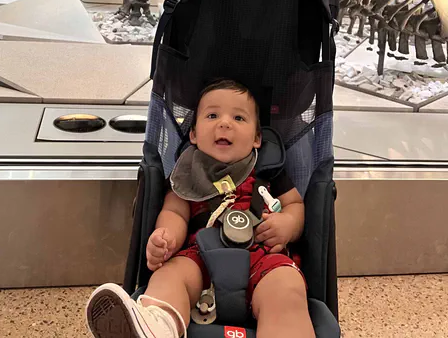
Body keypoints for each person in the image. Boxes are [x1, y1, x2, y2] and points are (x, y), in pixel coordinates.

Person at [86, 79, 315, 338]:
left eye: (239, 118)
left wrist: (287, 224)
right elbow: (174, 213)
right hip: (199, 258)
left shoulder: (268, 170)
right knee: (169, 276)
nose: (224, 123)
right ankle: (157, 325)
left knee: (286, 288)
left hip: (262, 258)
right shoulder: (187, 176)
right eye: (212, 115)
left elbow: (295, 205)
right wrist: (166, 238)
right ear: (193, 134)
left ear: (257, 138)